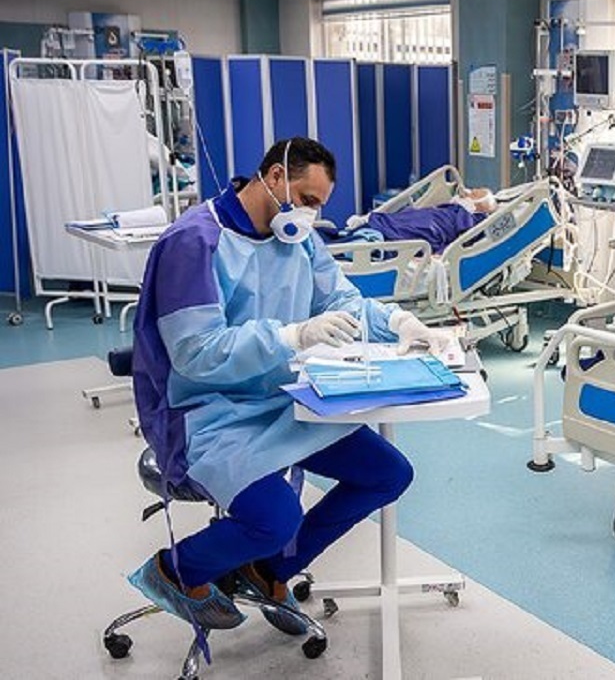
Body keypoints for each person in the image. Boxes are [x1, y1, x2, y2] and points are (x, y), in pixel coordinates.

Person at [128, 137, 451, 634]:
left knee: (387, 474)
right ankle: (174, 570)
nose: (311, 213)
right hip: (206, 413)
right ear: (275, 177)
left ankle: (268, 570)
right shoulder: (195, 242)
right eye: (306, 199)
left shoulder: (297, 237)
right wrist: (290, 336)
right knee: (276, 519)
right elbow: (195, 353)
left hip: (280, 401)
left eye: (318, 204)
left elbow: (342, 301)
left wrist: (400, 323)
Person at [320, 187, 498, 255]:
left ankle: (361, 241)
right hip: (415, 221)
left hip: (428, 230)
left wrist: (437, 254)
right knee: (400, 219)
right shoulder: (451, 209)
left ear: (478, 207)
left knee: (388, 233)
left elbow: (459, 243)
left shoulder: (471, 220)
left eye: (474, 193)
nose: (467, 191)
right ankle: (358, 235)